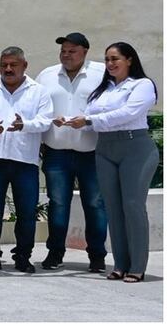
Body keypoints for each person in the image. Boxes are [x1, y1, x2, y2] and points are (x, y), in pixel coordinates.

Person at [63, 42, 159, 283]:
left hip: (134, 147)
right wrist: (79, 120)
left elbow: (128, 113)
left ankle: (137, 265)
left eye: (115, 58)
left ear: (129, 59)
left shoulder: (142, 85)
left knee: (133, 206)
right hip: (105, 148)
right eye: (107, 59)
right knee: (113, 209)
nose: (110, 64)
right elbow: (91, 115)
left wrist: (89, 120)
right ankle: (120, 263)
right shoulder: (103, 89)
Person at [0, 46, 52, 273]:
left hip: (25, 161)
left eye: (13, 65)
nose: (8, 69)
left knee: (26, 212)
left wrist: (25, 124)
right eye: (4, 64)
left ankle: (23, 257)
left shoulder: (38, 91)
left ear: (24, 66)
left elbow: (46, 121)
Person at [35, 32, 108, 272]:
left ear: (85, 52)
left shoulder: (101, 74)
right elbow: (36, 106)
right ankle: (55, 253)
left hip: (92, 152)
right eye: (63, 50)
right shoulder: (47, 75)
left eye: (72, 51)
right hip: (56, 153)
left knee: (96, 204)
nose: (66, 55)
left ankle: (97, 255)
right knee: (57, 204)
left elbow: (113, 105)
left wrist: (87, 120)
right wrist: (48, 119)